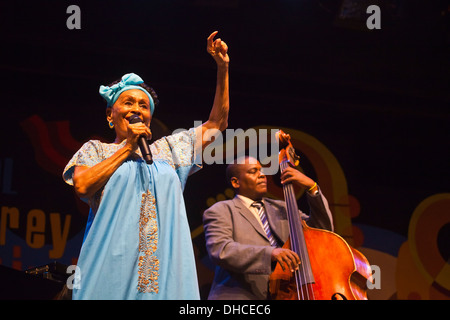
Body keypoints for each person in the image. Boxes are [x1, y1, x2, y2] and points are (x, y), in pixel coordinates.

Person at [62, 31, 229, 300]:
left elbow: (216, 125)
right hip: (110, 267)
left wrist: (222, 68)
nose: (136, 109)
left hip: (165, 272)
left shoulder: (171, 150)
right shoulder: (96, 150)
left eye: (143, 105)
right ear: (110, 115)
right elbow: (82, 186)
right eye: (128, 103)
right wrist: (127, 148)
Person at [202, 156, 334, 300]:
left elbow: (322, 231)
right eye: (253, 171)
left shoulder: (283, 207)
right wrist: (270, 253)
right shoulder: (220, 211)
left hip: (286, 295)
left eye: (262, 170)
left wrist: (312, 188)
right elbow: (221, 250)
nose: (262, 175)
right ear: (235, 182)